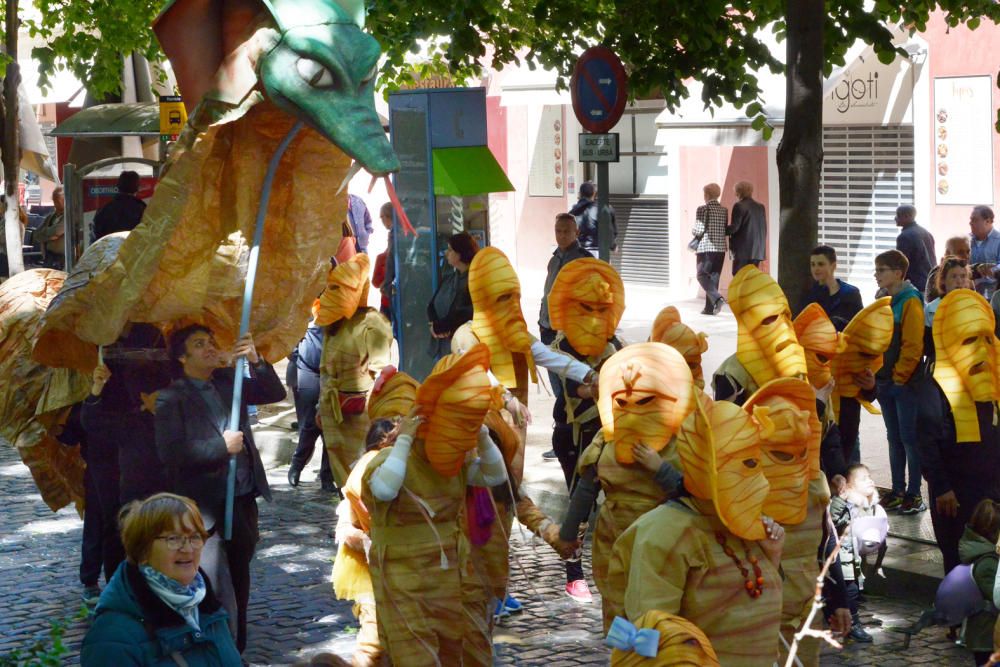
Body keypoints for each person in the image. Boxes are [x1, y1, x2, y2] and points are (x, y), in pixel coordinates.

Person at [606, 391, 786, 664]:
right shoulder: (662, 535)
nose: (761, 481)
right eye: (748, 464)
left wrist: (771, 556)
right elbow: (648, 642)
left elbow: (752, 602)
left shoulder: (738, 521)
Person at [360, 345, 506, 665]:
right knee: (414, 655)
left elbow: (495, 476)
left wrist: (480, 433)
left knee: (449, 650)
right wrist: (406, 440)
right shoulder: (388, 461)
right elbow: (384, 490)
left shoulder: (454, 464)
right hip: (401, 579)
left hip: (445, 579)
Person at [155, 325, 285, 652]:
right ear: (183, 358)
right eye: (200, 344)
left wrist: (256, 361)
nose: (211, 348)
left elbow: (274, 394)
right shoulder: (171, 399)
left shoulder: (230, 381)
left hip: (241, 500)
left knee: (240, 577)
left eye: (211, 341)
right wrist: (219, 446)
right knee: (207, 582)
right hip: (204, 508)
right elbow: (171, 454)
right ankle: (208, 649)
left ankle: (236, 650)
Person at [559, 343, 690, 627]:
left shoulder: (681, 445)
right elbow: (585, 488)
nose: (632, 413)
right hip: (613, 537)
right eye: (622, 403)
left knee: (656, 616)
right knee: (617, 610)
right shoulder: (605, 440)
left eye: (643, 402)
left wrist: (660, 470)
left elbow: (695, 496)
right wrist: (568, 534)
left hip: (661, 543)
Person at [545, 259, 627, 604]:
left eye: (601, 308)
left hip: (611, 433)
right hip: (575, 436)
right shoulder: (559, 348)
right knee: (581, 504)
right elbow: (577, 390)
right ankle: (574, 574)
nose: (594, 315)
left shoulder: (615, 344)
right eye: (586, 307)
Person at [80, 493, 242, 666]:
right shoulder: (111, 637)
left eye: (195, 537)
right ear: (142, 550)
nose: (188, 548)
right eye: (173, 539)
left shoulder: (207, 607)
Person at [918, 289, 1000, 575]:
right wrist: (941, 487)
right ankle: (958, 617)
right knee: (958, 561)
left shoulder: (993, 384)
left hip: (989, 489)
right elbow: (926, 443)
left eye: (987, 339)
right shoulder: (936, 387)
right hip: (954, 493)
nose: (980, 350)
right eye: (969, 340)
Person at [314, 253, 392, 488]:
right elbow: (325, 371)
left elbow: (382, 372)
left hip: (361, 413)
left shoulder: (373, 322)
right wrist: (321, 406)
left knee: (364, 468)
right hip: (333, 412)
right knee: (341, 472)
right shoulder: (333, 325)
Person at [873, 250, 926, 515]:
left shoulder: (910, 301)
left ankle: (914, 493)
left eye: (881, 270)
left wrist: (899, 377)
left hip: (905, 384)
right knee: (893, 437)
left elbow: (913, 346)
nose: (876, 275)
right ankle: (897, 490)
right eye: (876, 270)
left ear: (898, 273)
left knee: (909, 438)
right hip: (885, 381)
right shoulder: (882, 300)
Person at [713, 265, 808, 406]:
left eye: (786, 316)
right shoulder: (732, 375)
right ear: (749, 324)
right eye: (772, 318)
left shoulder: (798, 357)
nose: (783, 326)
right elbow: (728, 424)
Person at [538, 213, 593, 398]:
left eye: (566, 231)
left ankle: (568, 423)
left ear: (576, 232)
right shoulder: (554, 260)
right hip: (547, 328)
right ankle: (561, 418)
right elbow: (547, 292)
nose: (561, 235)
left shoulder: (584, 260)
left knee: (571, 383)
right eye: (558, 231)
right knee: (555, 380)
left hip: (568, 332)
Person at [830, 464, 886, 643]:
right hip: (843, 557)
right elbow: (832, 521)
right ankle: (852, 624)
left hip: (855, 557)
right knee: (850, 591)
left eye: (870, 476)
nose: (870, 480)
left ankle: (844, 621)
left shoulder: (871, 504)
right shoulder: (843, 502)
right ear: (849, 486)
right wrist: (839, 501)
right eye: (863, 478)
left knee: (852, 590)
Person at [287, 322, 335, 491]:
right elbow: (289, 335)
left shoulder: (338, 308)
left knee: (330, 425)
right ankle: (297, 464)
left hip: (332, 371)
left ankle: (327, 476)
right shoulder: (307, 308)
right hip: (308, 369)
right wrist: (297, 355)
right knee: (311, 423)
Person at [957, 499, 1000, 666]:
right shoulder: (987, 563)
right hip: (986, 636)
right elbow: (996, 596)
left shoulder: (982, 555)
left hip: (984, 633)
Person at [426, 231, 478, 359]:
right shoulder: (449, 278)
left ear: (460, 253)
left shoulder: (475, 280)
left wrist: (441, 327)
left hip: (462, 347)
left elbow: (464, 313)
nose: (446, 253)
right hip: (443, 345)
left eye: (450, 250)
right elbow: (431, 305)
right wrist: (434, 325)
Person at [796, 245, 864, 330]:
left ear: (833, 266)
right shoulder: (808, 295)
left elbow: (859, 326)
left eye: (821, 264)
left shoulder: (851, 293)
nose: (815, 269)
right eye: (812, 264)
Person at [692, 182, 728, 315]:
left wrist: (693, 230)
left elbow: (698, 230)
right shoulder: (724, 210)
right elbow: (724, 229)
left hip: (706, 247)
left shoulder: (702, 209)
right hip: (720, 248)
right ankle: (709, 308)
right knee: (714, 277)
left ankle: (718, 299)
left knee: (701, 275)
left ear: (706, 195)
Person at [894, 205, 936, 293]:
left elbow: (901, 264)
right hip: (930, 284)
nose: (895, 218)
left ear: (907, 216)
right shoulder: (926, 233)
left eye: (898, 215)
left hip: (914, 286)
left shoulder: (904, 237)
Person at [93, 171, 146, 240]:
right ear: (137, 187)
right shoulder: (143, 209)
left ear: (118, 186)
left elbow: (97, 237)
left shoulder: (105, 209)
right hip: (134, 249)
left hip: (111, 249)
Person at [727, 181, 766, 274]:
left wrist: (720, 229)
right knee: (751, 277)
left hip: (743, 251)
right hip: (758, 250)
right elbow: (764, 229)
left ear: (738, 192)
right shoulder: (760, 207)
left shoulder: (739, 206)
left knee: (738, 276)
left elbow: (734, 228)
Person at [571, 180, 617, 253]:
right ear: (594, 194)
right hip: (598, 252)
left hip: (578, 253)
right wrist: (613, 245)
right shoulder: (602, 210)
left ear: (580, 194)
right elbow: (610, 231)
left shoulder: (572, 212)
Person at [926, 236, 972, 303]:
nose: (966, 256)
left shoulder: (966, 271)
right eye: (960, 252)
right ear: (947, 253)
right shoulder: (936, 274)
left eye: (968, 252)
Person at [969, 205, 1000, 298]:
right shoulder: (967, 240)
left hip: (994, 297)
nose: (970, 223)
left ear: (988, 221)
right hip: (971, 295)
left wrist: (990, 270)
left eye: (975, 220)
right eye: (970, 220)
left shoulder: (998, 240)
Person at [32, 185, 66, 269]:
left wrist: (45, 233)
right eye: (54, 199)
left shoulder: (69, 216)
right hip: (49, 258)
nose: (56, 203)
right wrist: (50, 236)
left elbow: (58, 231)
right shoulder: (50, 217)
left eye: (58, 199)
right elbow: (36, 235)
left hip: (63, 260)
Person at [371, 202, 394, 321]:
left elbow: (375, 281)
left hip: (389, 298)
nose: (381, 221)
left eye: (382, 217)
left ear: (388, 216)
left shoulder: (383, 258)